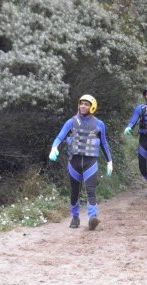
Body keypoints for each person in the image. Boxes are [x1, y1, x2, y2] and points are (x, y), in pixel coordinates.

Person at [49, 94, 113, 230]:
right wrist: (54, 147)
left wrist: (109, 161)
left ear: (92, 107)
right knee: (74, 191)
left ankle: (92, 218)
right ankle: (75, 217)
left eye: (86, 104)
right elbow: (60, 136)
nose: (83, 106)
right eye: (81, 103)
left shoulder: (99, 124)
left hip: (91, 162)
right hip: (74, 161)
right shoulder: (71, 121)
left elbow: (104, 144)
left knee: (91, 190)